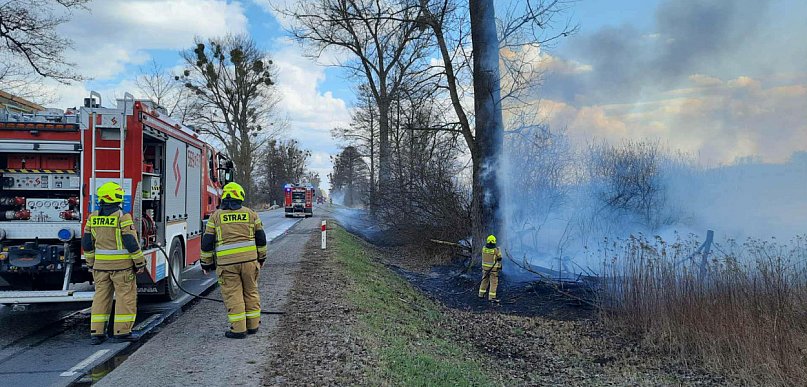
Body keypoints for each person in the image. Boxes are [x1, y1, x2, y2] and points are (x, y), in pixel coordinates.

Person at [200, 182, 267, 339]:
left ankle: (238, 330)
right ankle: (253, 326)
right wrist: (262, 258)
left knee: (233, 295)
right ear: (240, 196)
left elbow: (207, 242)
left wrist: (206, 262)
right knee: (251, 292)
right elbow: (261, 238)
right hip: (250, 262)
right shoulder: (251, 214)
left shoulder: (215, 217)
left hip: (227, 265)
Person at [83, 182, 145, 345]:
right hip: (121, 268)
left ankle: (97, 333)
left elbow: (87, 243)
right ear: (116, 197)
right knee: (126, 298)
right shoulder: (122, 217)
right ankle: (122, 332)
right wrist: (139, 263)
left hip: (100, 268)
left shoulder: (93, 217)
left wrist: (90, 263)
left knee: (101, 298)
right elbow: (131, 242)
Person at [478, 234, 503, 302]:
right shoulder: (495, 250)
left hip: (485, 269)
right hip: (493, 270)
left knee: (484, 280)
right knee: (493, 283)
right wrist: (499, 250)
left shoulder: (483, 248)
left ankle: (481, 294)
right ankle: (492, 297)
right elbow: (499, 258)